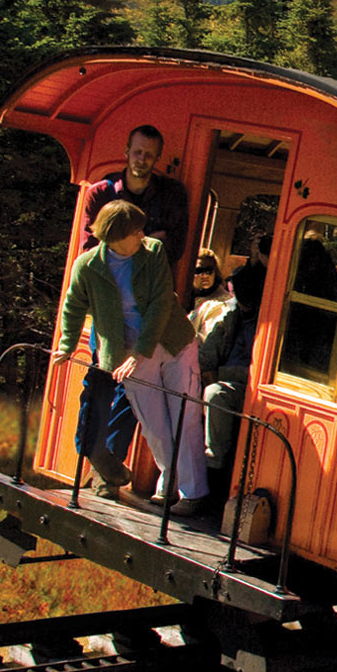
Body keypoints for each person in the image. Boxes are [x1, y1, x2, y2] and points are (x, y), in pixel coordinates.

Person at [58, 199, 209, 516]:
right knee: (155, 425)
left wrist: (140, 353)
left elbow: (159, 305)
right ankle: (170, 485)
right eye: (136, 231)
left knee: (186, 415)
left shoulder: (152, 252)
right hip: (128, 355)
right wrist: (67, 344)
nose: (143, 234)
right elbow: (73, 306)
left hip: (173, 344)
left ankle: (192, 493)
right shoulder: (87, 266)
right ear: (115, 234)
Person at [194, 253, 261, 484]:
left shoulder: (267, 320)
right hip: (229, 381)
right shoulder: (231, 315)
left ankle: (213, 469)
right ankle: (202, 469)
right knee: (210, 392)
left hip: (254, 387)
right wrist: (206, 369)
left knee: (216, 394)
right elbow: (210, 350)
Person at [84, 125, 188, 251]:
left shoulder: (171, 195)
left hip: (150, 271)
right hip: (107, 271)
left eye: (149, 155)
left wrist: (117, 244)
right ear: (127, 151)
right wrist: (148, 242)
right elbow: (89, 249)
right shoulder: (100, 193)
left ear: (158, 158)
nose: (141, 160)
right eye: (137, 152)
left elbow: (175, 249)